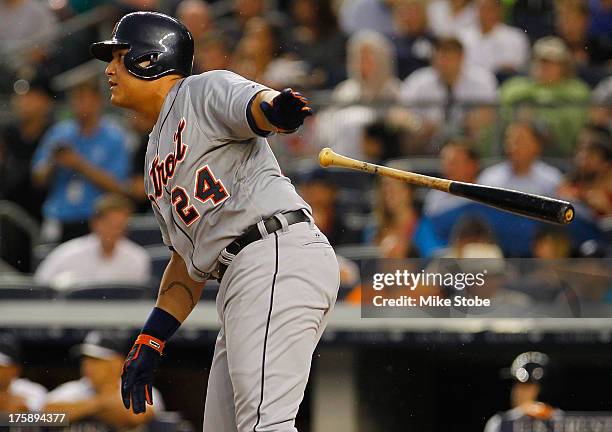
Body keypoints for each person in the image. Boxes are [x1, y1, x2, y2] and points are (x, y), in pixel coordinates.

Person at [90, 11, 339, 432]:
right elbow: (186, 265)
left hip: (274, 252)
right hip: (242, 274)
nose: (110, 70)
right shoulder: (154, 155)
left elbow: (254, 109)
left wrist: (275, 112)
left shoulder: (201, 90)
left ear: (149, 58)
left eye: (118, 56)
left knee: (265, 425)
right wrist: (152, 336)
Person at [31, 80, 130, 242]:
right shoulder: (59, 133)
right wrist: (53, 161)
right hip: (59, 218)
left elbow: (119, 187)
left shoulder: (114, 137)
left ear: (98, 101)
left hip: (96, 220)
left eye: (85, 99)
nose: (80, 105)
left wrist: (79, 164)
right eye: (75, 99)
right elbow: (37, 178)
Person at [43, 331, 164, 428]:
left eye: (96, 361)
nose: (87, 366)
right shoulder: (74, 389)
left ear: (117, 362)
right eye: (85, 360)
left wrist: (78, 410)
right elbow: (45, 416)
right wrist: (100, 403)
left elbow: (133, 418)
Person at [34, 194, 151, 289]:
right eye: (110, 224)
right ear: (95, 223)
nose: (115, 230)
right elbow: (40, 288)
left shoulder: (138, 258)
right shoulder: (66, 254)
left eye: (120, 226)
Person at [500, 36, 591, 156]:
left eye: (552, 62)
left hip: (561, 152)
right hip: (519, 150)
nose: (545, 66)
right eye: (541, 61)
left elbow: (574, 124)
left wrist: (539, 119)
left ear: (563, 66)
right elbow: (502, 115)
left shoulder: (577, 89)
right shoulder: (514, 87)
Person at [400, 37, 498, 140]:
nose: (444, 63)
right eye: (440, 56)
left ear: (461, 57)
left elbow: (493, 112)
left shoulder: (482, 80)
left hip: (469, 142)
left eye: (449, 57)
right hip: (428, 142)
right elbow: (398, 111)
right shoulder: (418, 81)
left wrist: (471, 122)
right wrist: (418, 124)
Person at [0, 75, 54, 221]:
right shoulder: (8, 133)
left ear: (45, 101)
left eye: (30, 97)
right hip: (8, 211)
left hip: (43, 212)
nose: (22, 102)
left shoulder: (55, 133)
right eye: (19, 97)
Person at [478, 120, 563, 197]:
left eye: (520, 141)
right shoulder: (489, 179)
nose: (513, 146)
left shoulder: (552, 181)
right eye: (509, 140)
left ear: (537, 146)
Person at [484, 351, 563, 432]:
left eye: (525, 386)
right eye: (516, 385)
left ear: (540, 389)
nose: (516, 391)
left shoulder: (564, 423)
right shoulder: (501, 424)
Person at [459, 0, 530, 76]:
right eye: (482, 8)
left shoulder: (516, 37)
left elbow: (515, 68)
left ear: (499, 10)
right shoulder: (462, 37)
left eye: (490, 8)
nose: (486, 13)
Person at [332, 30, 401, 105]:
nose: (363, 63)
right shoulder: (346, 91)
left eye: (370, 57)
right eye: (361, 57)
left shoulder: (396, 91)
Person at [0, 334, 47, 413]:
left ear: (15, 369)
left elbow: (52, 418)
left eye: (1, 367)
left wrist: (25, 407)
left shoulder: (33, 391)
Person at [390, 0, 436, 80]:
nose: (410, 17)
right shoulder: (392, 42)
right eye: (406, 13)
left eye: (414, 12)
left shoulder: (433, 41)